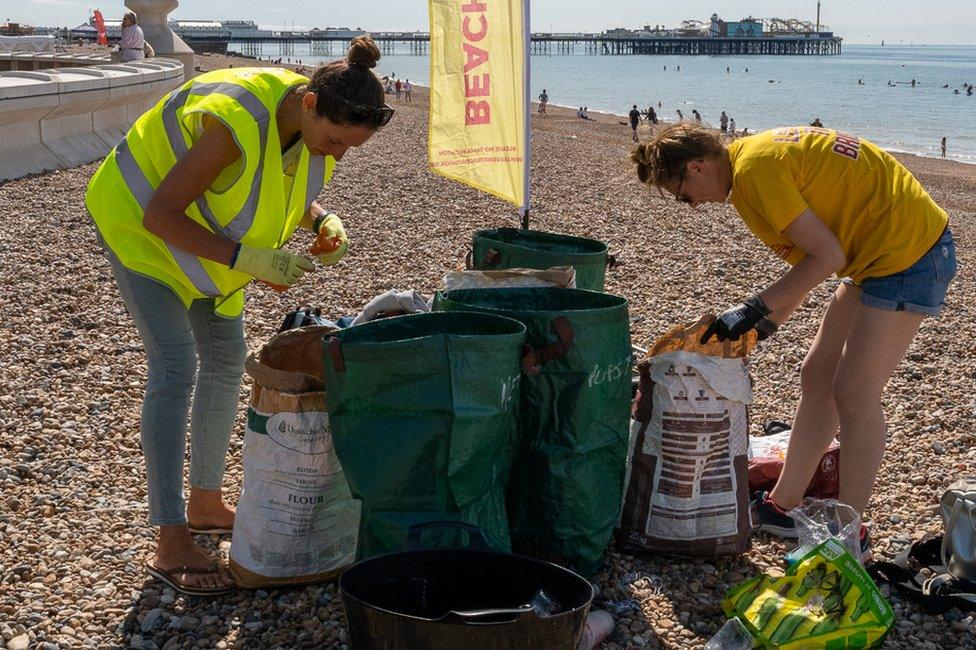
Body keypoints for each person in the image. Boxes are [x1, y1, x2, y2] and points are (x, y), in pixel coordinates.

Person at [84, 36, 394, 596]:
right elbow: (160, 214)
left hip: (211, 250)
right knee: (175, 367)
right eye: (333, 140)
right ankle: (170, 537)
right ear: (308, 104)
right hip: (142, 233)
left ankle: (205, 503)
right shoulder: (234, 121)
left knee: (228, 362)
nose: (337, 155)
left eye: (351, 147)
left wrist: (322, 221)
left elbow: (283, 186)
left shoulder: (308, 123)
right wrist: (249, 258)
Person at [630, 124, 956, 560]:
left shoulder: (757, 173)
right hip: (872, 253)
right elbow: (813, 261)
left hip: (909, 255)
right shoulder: (745, 169)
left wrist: (749, 310)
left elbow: (828, 258)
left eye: (682, 193)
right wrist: (761, 326)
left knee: (855, 394)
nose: (688, 205)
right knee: (816, 376)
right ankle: (784, 507)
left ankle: (850, 533)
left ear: (697, 166)